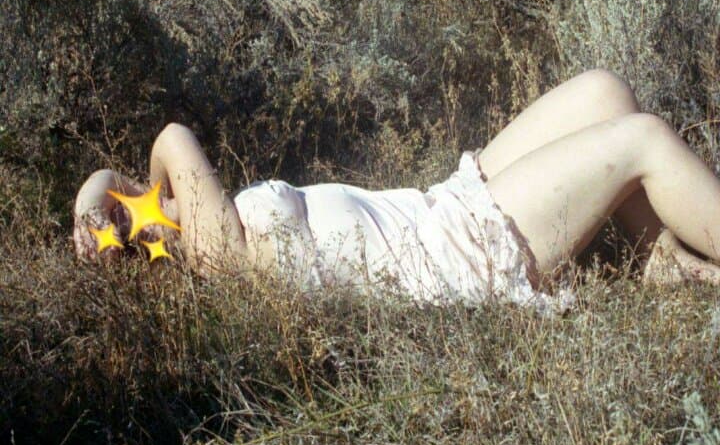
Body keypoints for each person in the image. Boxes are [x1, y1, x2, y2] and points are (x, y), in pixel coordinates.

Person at [72, 69, 720, 309]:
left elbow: (113, 180)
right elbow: (174, 138)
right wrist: (159, 160)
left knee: (604, 92)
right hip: (462, 251)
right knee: (644, 140)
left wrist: (88, 205)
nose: (145, 203)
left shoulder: (197, 220)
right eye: (134, 220)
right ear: (151, 255)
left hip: (441, 203)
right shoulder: (215, 255)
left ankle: (657, 259)